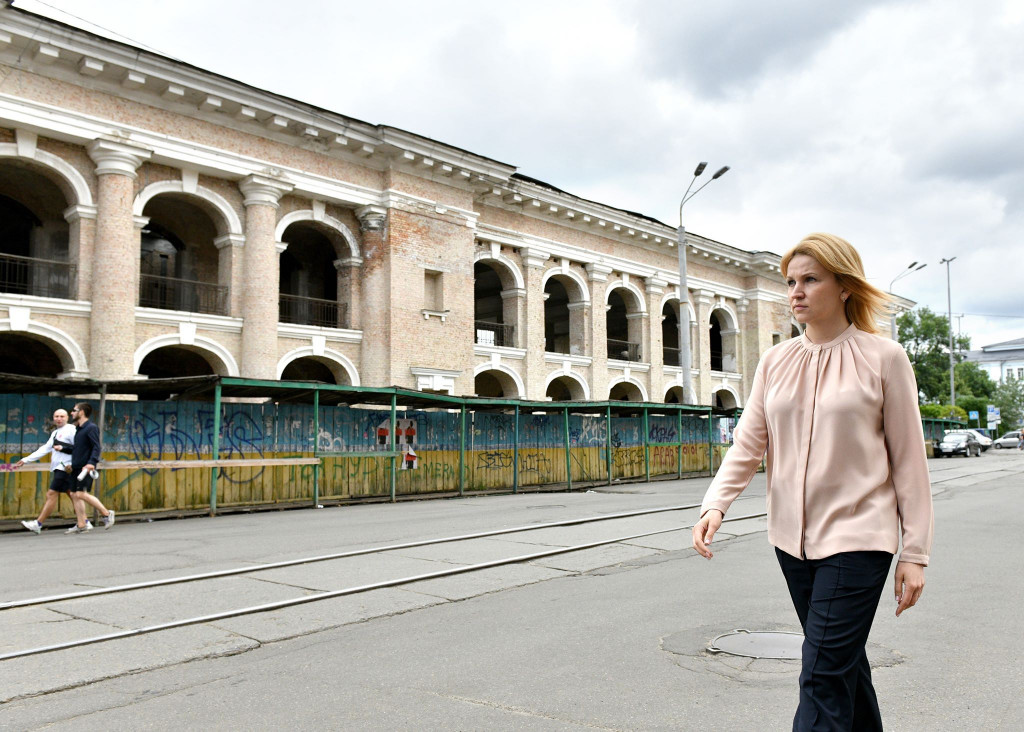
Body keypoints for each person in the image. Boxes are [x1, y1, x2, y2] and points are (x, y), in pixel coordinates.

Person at [692, 233, 933, 731]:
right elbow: (749, 442)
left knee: (821, 674)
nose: (795, 292)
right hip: (792, 543)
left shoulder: (883, 358)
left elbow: (910, 461)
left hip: (859, 538)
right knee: (842, 668)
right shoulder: (776, 361)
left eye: (810, 280)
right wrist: (716, 503)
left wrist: (915, 552)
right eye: (790, 282)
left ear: (844, 286)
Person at [15, 408, 78, 534]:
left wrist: (72, 463)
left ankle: (38, 523)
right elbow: (45, 448)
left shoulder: (71, 430)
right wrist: (27, 459)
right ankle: (88, 520)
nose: (59, 419)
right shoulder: (55, 433)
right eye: (56, 416)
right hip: (58, 467)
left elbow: (79, 448)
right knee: (73, 495)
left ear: (67, 418)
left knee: (51, 494)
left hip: (65, 468)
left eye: (62, 416)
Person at [66, 402, 115, 534]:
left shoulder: (91, 427)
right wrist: (64, 450)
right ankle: (82, 524)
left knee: (81, 493)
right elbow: (78, 448)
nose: (72, 413)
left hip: (86, 467)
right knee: (74, 495)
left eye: (74, 410)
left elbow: (96, 447)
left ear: (81, 412)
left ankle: (106, 513)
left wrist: (92, 462)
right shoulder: (78, 429)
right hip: (76, 466)